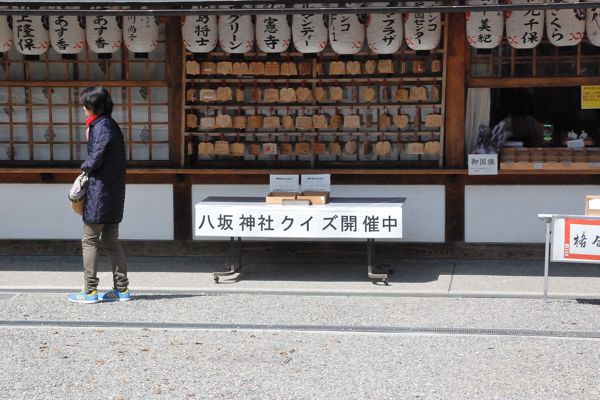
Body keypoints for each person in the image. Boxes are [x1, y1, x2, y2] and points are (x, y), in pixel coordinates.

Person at [69, 86, 130, 304]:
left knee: (90, 240)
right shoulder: (110, 125)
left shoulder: (101, 126)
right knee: (112, 241)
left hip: (99, 192)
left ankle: (90, 291)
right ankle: (121, 289)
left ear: (93, 107)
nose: (83, 107)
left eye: (85, 104)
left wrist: (82, 168)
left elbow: (95, 160)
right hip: (114, 192)